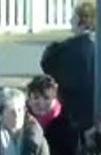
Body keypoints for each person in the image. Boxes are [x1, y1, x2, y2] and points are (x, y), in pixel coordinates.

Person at [39, 1, 96, 133]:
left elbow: (47, 63)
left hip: (71, 115)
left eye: (74, 17)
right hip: (96, 114)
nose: (70, 20)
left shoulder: (66, 49)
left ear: (82, 21)